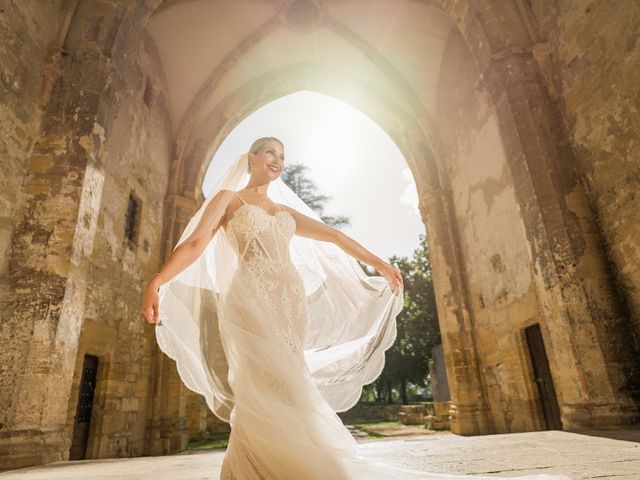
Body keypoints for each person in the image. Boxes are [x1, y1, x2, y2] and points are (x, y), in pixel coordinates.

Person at [141, 137, 573, 480]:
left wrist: (380, 263)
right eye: (270, 152)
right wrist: (160, 279)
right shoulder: (230, 201)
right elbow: (197, 244)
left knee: (290, 381)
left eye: (283, 157)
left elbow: (334, 237)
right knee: (261, 380)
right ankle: (255, 469)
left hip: (290, 301)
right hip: (248, 298)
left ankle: (291, 463)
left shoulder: (284, 210)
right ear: (251, 157)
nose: (277, 161)